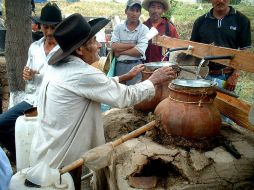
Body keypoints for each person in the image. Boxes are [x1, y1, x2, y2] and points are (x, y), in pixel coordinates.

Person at [29, 13, 176, 181]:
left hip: (48, 150)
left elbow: (91, 87)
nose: (99, 45)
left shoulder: (62, 68)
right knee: (67, 184)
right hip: (59, 162)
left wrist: (124, 77)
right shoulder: (82, 73)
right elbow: (125, 96)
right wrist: (154, 80)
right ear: (79, 50)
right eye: (94, 41)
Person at [0, 2, 62, 159]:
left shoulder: (65, 50)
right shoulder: (34, 47)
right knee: (3, 123)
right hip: (32, 100)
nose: (48, 32)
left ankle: (44, 158)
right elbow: (28, 73)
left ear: (60, 27)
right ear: (40, 26)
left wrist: (41, 75)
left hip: (52, 102)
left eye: (53, 27)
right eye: (45, 27)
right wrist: (27, 75)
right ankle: (20, 153)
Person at [190, 0, 251, 91]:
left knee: (221, 104)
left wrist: (235, 75)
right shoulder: (200, 21)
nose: (221, 1)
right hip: (202, 75)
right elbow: (193, 49)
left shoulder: (241, 20)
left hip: (226, 76)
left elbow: (245, 50)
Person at [111, 0, 149, 85]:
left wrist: (119, 52)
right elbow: (114, 46)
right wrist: (134, 45)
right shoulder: (118, 28)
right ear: (126, 11)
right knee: (119, 94)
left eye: (137, 11)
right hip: (120, 66)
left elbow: (139, 51)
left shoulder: (144, 29)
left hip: (137, 66)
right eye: (132, 10)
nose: (134, 13)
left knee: (135, 94)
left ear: (140, 13)